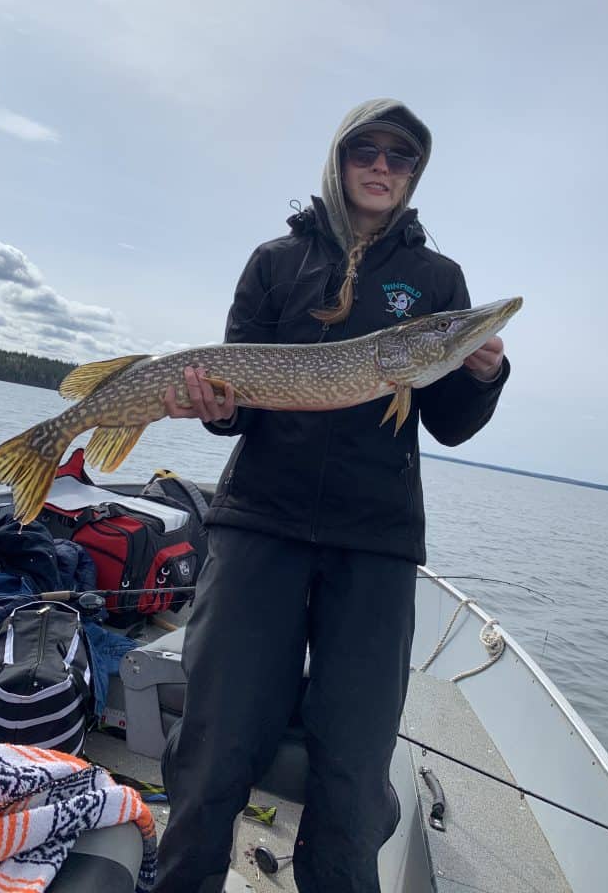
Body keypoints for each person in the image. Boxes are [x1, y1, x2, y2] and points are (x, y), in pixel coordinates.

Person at [154, 98, 511, 893]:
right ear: (340, 159)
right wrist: (216, 404)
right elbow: (236, 400)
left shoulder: (436, 280)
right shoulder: (275, 262)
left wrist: (484, 375)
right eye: (367, 152)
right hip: (260, 528)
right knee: (212, 744)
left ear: (415, 174)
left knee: (353, 766)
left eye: (401, 158)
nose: (382, 168)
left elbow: (448, 423)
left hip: (375, 545)